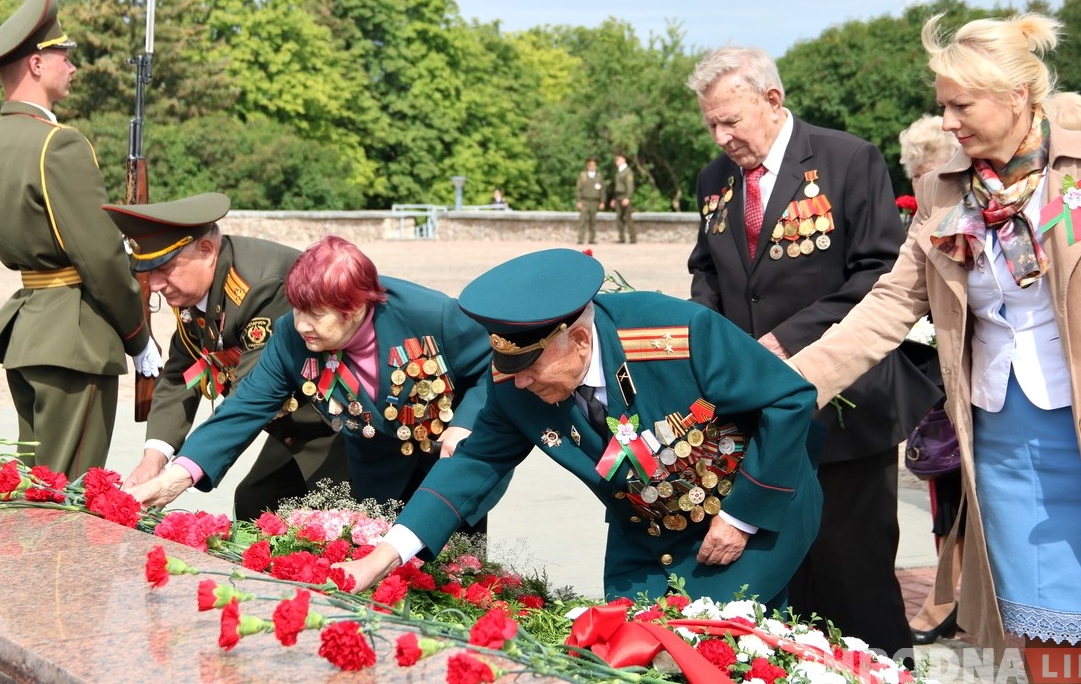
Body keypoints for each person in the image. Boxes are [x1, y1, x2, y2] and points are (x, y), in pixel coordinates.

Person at [789, 13, 1081, 661]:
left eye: (960, 104)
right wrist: (790, 386)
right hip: (996, 437)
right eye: (943, 106)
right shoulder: (946, 192)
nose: (947, 121)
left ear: (1016, 96)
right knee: (1030, 617)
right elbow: (887, 306)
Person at [336, 248, 824, 609]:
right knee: (625, 652)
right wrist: (381, 558)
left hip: (748, 517)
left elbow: (789, 398)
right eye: (509, 370)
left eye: (530, 367)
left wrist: (741, 517)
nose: (519, 382)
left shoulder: (675, 334)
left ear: (580, 340)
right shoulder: (514, 386)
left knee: (724, 650)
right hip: (646, 531)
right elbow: (474, 464)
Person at [685, 45, 941, 657]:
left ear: (772, 101)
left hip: (845, 404)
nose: (721, 137)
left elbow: (880, 273)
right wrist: (720, 346)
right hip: (756, 410)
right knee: (780, 577)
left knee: (855, 572)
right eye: (711, 124)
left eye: (731, 121)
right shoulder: (714, 180)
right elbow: (708, 274)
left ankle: (884, 669)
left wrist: (785, 341)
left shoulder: (847, 160)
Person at [125, 236, 505, 536]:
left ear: (355, 307)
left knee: (454, 578)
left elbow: (497, 363)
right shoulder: (293, 335)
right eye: (297, 309)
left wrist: (466, 422)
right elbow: (245, 409)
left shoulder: (429, 314)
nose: (302, 324)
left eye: (315, 314)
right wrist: (176, 478)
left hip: (450, 465)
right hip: (376, 472)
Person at [0, 0, 159, 479]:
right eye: (63, 56)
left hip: (30, 329)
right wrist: (138, 337)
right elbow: (99, 257)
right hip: (75, 339)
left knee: (36, 483)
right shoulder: (60, 144)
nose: (72, 67)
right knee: (67, 499)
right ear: (36, 63)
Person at [102, 192, 349, 520]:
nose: (157, 285)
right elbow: (181, 375)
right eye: (147, 273)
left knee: (342, 523)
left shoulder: (260, 287)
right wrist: (155, 458)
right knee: (254, 502)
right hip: (296, 423)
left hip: (346, 424)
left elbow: (250, 395)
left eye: (165, 268)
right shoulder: (197, 291)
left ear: (205, 250)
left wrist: (179, 476)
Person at [898, 115, 965, 646]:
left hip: (974, 382)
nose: (923, 187)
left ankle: (954, 598)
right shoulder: (928, 211)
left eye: (929, 172)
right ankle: (950, 595)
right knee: (944, 491)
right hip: (933, 379)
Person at [575, 156, 604, 244]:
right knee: (582, 221)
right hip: (585, 201)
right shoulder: (583, 176)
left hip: (595, 201)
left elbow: (602, 190)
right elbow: (578, 189)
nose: (592, 166)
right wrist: (578, 201)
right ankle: (580, 239)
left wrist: (602, 201)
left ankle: (592, 239)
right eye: (590, 165)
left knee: (593, 221)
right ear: (587, 166)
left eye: (594, 165)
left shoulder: (599, 176)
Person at [608, 153, 636, 243]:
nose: (617, 162)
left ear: (624, 160)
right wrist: (614, 198)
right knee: (619, 218)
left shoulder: (627, 172)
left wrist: (627, 197)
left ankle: (633, 238)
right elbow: (617, 187)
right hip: (618, 196)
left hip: (625, 196)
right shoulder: (619, 172)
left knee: (628, 218)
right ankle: (622, 238)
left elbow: (630, 186)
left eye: (618, 159)